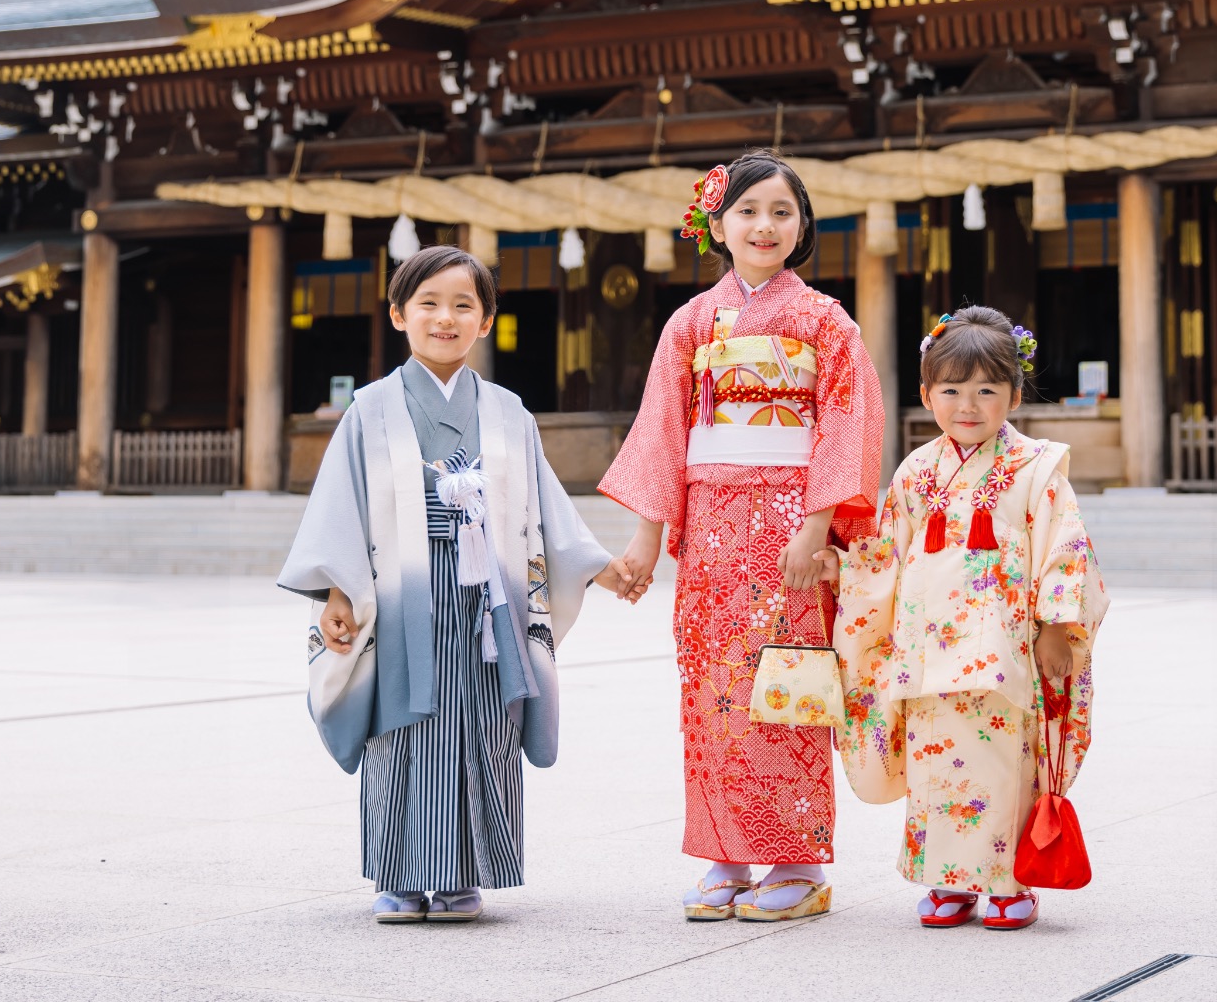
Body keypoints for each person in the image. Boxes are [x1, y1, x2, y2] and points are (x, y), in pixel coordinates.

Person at [278, 245, 639, 923]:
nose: (445, 317)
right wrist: (334, 591)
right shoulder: (370, 410)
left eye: (463, 306)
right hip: (400, 594)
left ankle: (461, 873)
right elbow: (342, 507)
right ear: (398, 315)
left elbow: (545, 506)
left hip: (488, 598)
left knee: (482, 720)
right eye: (429, 304)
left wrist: (599, 566)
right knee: (401, 725)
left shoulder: (509, 413)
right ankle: (399, 875)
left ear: (485, 320)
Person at [600, 150, 884, 922]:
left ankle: (797, 862)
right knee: (713, 694)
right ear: (717, 225)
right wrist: (644, 543)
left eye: (782, 213)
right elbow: (663, 433)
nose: (764, 225)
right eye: (749, 211)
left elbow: (843, 425)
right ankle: (725, 855)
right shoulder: (690, 324)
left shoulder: (825, 320)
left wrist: (817, 526)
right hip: (715, 532)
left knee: (787, 689)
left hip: (793, 528)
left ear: (802, 229)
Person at [825, 306, 1107, 932]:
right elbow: (886, 553)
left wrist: (1059, 627)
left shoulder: (1037, 468)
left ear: (1013, 392)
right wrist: (844, 569)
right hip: (927, 651)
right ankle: (946, 880)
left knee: (1008, 763)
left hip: (1007, 649)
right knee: (936, 762)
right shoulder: (916, 473)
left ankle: (1008, 881)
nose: (968, 405)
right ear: (927, 394)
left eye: (987, 390)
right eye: (950, 390)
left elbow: (1067, 546)